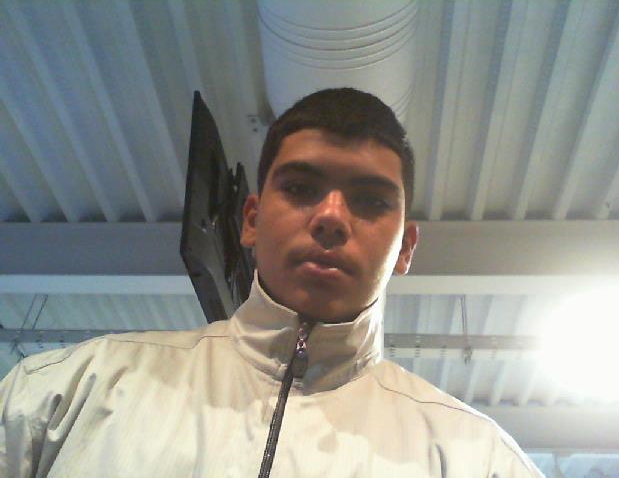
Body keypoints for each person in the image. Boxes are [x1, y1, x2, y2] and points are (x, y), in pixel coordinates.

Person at [0, 88, 542, 477]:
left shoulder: (477, 459)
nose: (331, 217)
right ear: (252, 221)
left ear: (404, 247)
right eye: (301, 188)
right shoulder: (67, 393)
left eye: (370, 200)